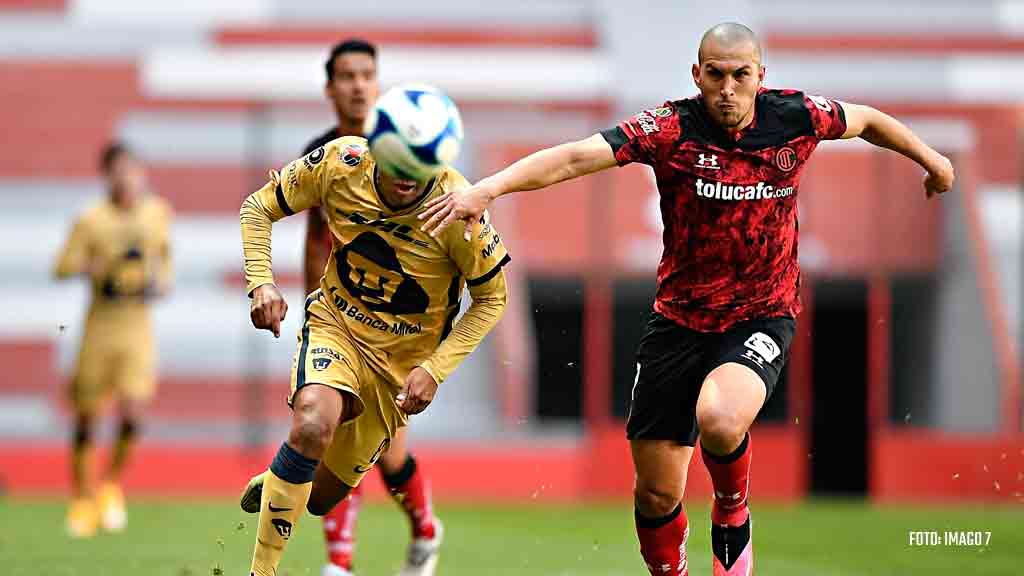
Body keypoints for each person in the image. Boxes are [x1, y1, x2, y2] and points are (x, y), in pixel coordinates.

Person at [418, 22, 954, 576]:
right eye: (715, 75)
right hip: (677, 321)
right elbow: (577, 157)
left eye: (740, 75)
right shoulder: (669, 128)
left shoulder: (795, 117)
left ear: (760, 77)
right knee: (654, 495)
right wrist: (488, 187)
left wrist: (930, 159)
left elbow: (866, 119)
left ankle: (731, 507)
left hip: (761, 314)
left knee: (720, 420)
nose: (727, 88)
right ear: (697, 75)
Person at [238, 133, 510, 576]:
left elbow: (493, 299)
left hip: (396, 372)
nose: (406, 175)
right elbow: (258, 207)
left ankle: (280, 481)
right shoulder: (341, 161)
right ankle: (263, 571)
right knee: (311, 421)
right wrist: (261, 280)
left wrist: (436, 370)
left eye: (419, 164)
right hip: (337, 328)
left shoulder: (458, 208)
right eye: (396, 161)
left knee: (320, 497)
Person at [302, 38, 443, 576]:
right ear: (330, 88)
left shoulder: (405, 146)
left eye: (367, 74)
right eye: (347, 76)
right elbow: (316, 239)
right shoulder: (320, 154)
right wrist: (314, 314)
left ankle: (426, 529)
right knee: (337, 432)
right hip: (343, 321)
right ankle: (340, 564)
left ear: (377, 83)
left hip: (402, 327)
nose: (358, 85)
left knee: (389, 456)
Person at [54, 142, 174, 538]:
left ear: (142, 174)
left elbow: (165, 261)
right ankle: (82, 497)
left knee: (134, 413)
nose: (127, 179)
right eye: (119, 171)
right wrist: (92, 265)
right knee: (87, 418)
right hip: (99, 326)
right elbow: (63, 265)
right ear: (106, 175)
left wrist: (159, 282)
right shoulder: (90, 219)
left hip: (136, 326)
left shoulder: (157, 214)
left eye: (133, 171)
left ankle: (110, 484)